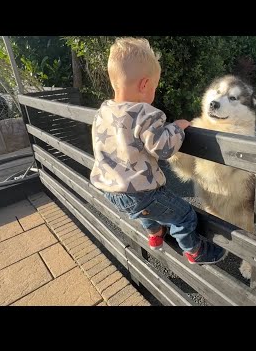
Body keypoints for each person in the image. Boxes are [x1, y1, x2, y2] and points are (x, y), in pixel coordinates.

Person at [90, 37, 227, 265]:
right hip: (142, 193)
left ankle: (155, 235)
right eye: (154, 87)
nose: (153, 93)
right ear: (144, 85)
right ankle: (195, 251)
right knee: (183, 215)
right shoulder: (145, 113)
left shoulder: (103, 112)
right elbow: (163, 148)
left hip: (110, 190)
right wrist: (177, 127)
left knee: (145, 212)